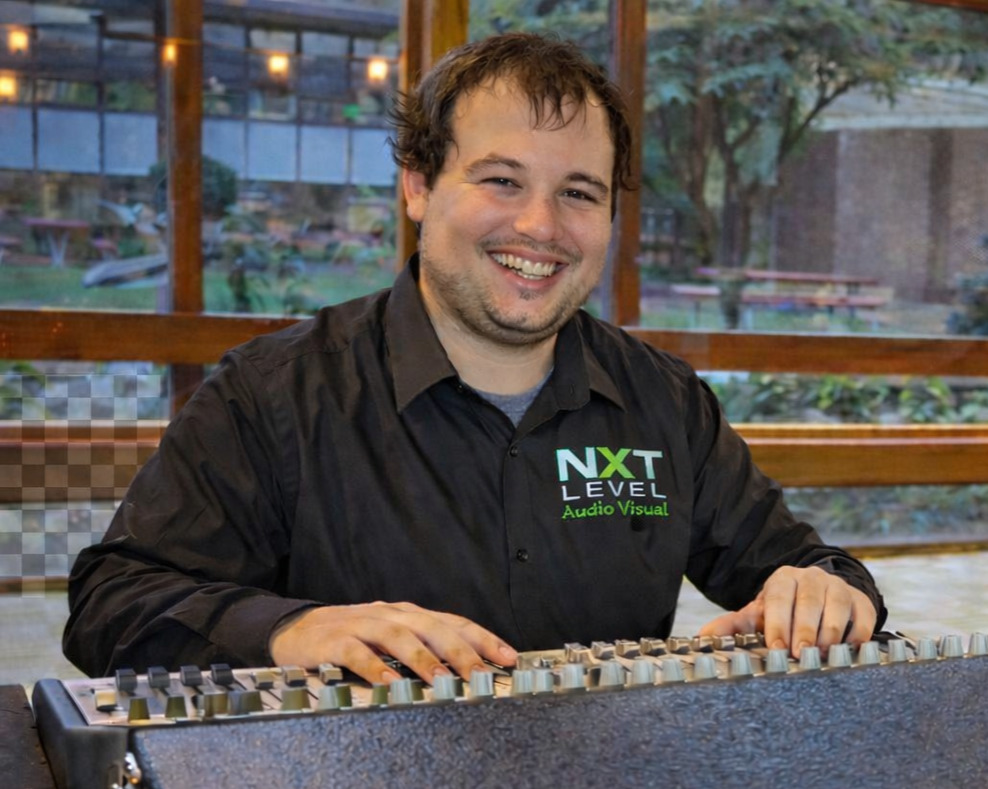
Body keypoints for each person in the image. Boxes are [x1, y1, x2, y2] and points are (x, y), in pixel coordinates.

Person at [64, 33, 884, 683]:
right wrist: (291, 629)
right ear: (418, 186)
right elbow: (113, 604)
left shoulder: (664, 401)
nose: (540, 227)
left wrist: (821, 592)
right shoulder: (272, 396)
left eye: (578, 193)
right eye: (501, 180)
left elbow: (814, 570)